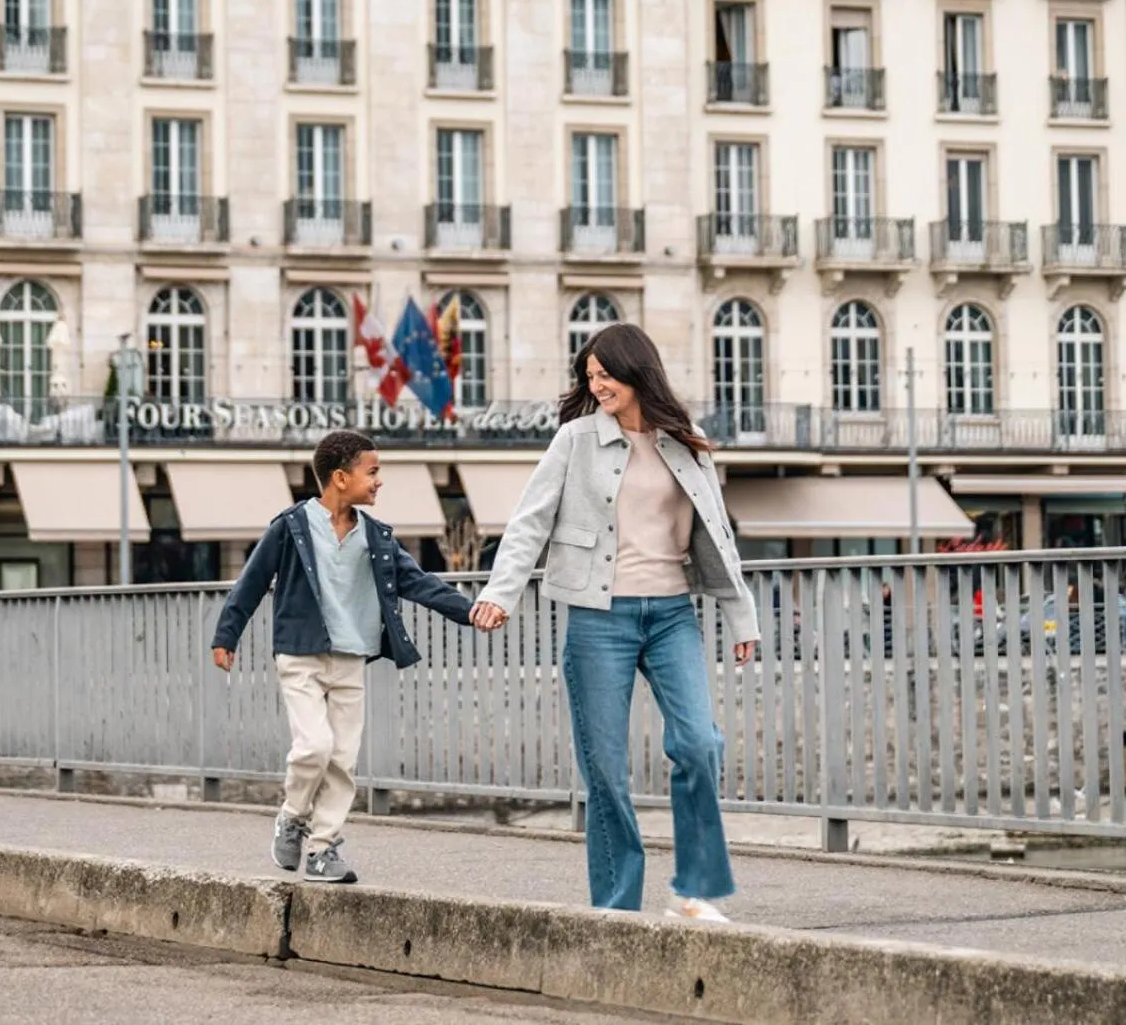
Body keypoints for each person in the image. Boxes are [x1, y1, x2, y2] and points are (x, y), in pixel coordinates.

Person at [469, 323, 758, 923]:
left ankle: (695, 892)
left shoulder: (687, 440)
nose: (596, 385)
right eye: (590, 376)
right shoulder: (575, 440)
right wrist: (502, 592)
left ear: (636, 372)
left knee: (700, 744)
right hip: (599, 618)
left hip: (673, 611)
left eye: (606, 374)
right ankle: (617, 909)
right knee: (605, 769)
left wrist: (741, 617)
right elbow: (530, 522)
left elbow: (718, 534)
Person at [211, 428, 488, 885]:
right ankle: (292, 816)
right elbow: (253, 580)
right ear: (340, 477)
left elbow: (419, 582)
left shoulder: (375, 537)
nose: (378, 481)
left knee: (341, 759)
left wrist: (471, 611)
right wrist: (228, 634)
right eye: (372, 472)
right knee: (314, 747)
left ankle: (322, 849)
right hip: (299, 654)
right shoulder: (292, 526)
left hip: (351, 657)